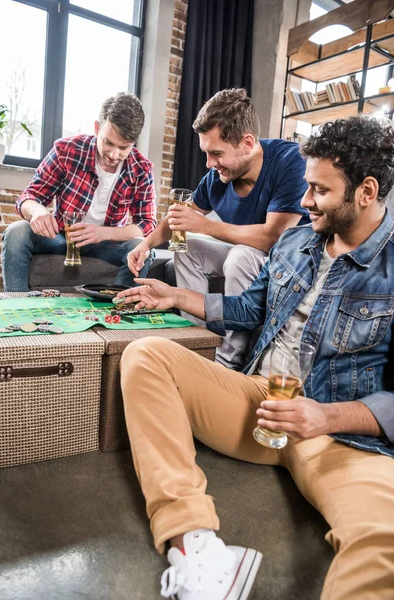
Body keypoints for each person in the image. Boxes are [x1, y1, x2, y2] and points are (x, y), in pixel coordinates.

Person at [117, 115, 394, 600]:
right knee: (146, 357)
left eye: (319, 191)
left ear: (366, 191)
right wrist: (177, 298)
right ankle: (196, 549)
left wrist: (324, 415)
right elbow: (249, 309)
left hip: (339, 431)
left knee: (384, 542)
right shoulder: (298, 239)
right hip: (259, 401)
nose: (304, 202)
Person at [128, 88, 309, 370]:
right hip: (249, 254)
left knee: (241, 255)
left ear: (247, 143)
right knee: (185, 247)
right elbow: (179, 216)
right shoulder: (216, 177)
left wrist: (206, 225)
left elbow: (274, 237)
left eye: (216, 153)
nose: (209, 164)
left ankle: (227, 361)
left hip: (287, 263)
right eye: (206, 153)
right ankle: (198, 340)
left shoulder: (290, 162)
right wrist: (145, 244)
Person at [2, 92, 157, 292]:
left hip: (106, 244)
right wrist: (37, 211)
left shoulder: (141, 168)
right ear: (97, 127)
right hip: (61, 238)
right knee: (17, 232)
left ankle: (116, 309)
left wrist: (103, 233)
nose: (113, 154)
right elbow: (28, 198)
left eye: (123, 148)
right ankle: (17, 308)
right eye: (108, 142)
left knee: (142, 248)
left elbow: (146, 225)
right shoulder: (67, 150)